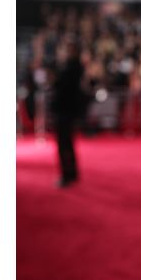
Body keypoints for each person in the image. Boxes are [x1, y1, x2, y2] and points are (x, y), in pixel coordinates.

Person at [52, 37, 86, 188]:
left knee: (64, 144)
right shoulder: (72, 66)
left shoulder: (72, 67)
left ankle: (67, 175)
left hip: (65, 110)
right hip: (68, 110)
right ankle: (72, 173)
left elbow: (59, 86)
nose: (67, 51)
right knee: (68, 143)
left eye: (69, 48)